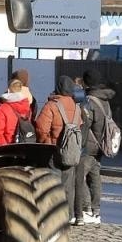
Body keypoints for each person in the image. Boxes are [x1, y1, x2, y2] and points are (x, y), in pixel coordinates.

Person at [34, 75, 84, 218]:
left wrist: (47, 142)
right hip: (71, 151)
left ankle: (53, 215)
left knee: (52, 183)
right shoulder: (76, 106)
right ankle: (67, 215)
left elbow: (41, 127)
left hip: (54, 149)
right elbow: (79, 125)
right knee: (68, 185)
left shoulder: (52, 105)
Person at [77, 72, 116, 226]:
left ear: (87, 84)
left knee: (80, 177)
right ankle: (96, 211)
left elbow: (86, 124)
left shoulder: (89, 101)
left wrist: (80, 144)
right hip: (102, 144)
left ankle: (86, 209)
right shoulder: (105, 101)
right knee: (95, 177)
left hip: (89, 145)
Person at [0, 78, 33, 145]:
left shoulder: (3, 108)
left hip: (8, 146)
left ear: (8, 90)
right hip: (23, 144)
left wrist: (3, 147)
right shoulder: (27, 106)